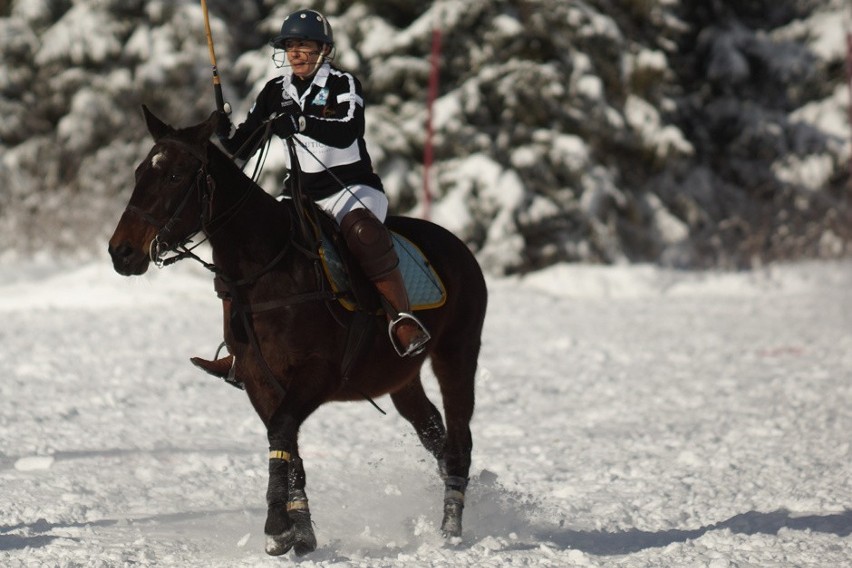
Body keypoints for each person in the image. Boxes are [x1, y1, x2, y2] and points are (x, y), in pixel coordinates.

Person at [191, 9, 429, 380]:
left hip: (352, 189)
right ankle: (238, 350)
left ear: (323, 50)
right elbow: (243, 147)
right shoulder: (275, 91)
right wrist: (225, 132)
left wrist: (301, 121)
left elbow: (348, 130)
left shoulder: (343, 85)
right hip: (301, 196)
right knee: (240, 247)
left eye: (304, 46)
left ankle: (402, 320)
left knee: (364, 234)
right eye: (290, 46)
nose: (296, 53)